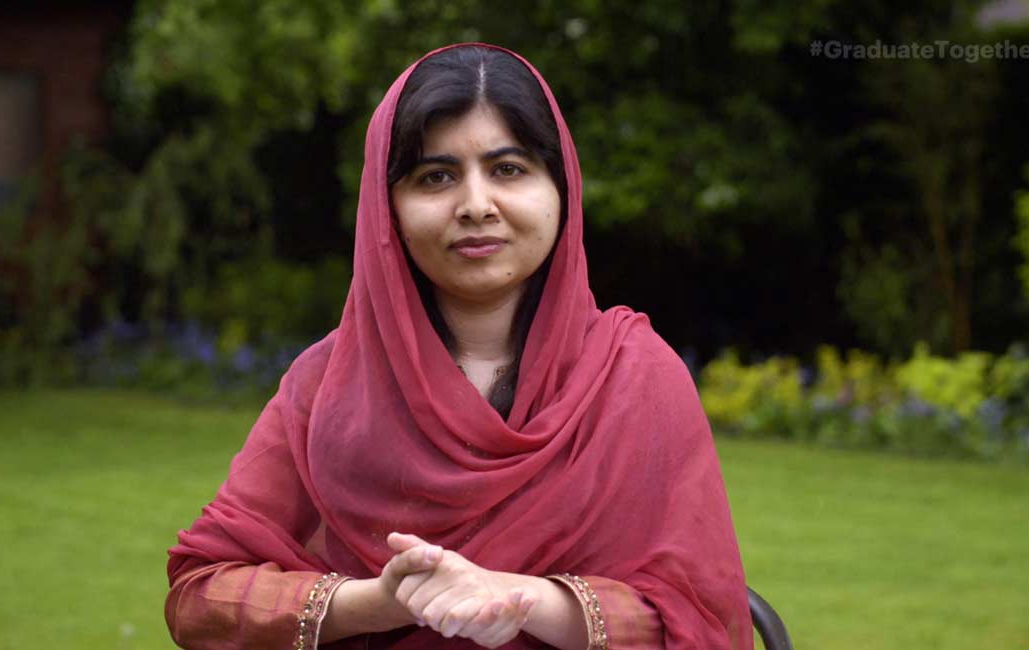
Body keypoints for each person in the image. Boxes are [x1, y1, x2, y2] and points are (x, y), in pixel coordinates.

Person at [165, 43, 752, 650]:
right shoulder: (330, 384)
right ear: (386, 208)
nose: (476, 206)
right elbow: (203, 593)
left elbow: (699, 620)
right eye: (435, 177)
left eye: (509, 169)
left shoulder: (635, 378)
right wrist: (374, 603)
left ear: (562, 189)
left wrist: (518, 600)